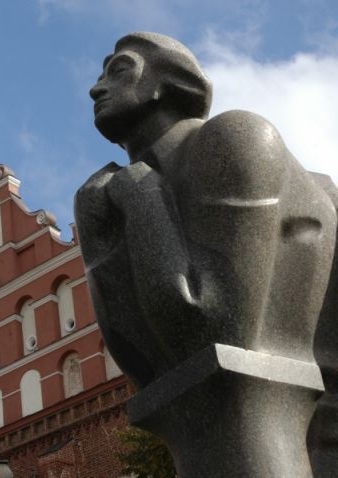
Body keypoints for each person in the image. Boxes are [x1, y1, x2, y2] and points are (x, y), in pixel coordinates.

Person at [74, 32, 337, 389]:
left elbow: (216, 337)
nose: (96, 89)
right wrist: (98, 232)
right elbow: (151, 376)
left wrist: (142, 197)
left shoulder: (232, 140)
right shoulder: (119, 191)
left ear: (166, 83)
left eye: (119, 71)